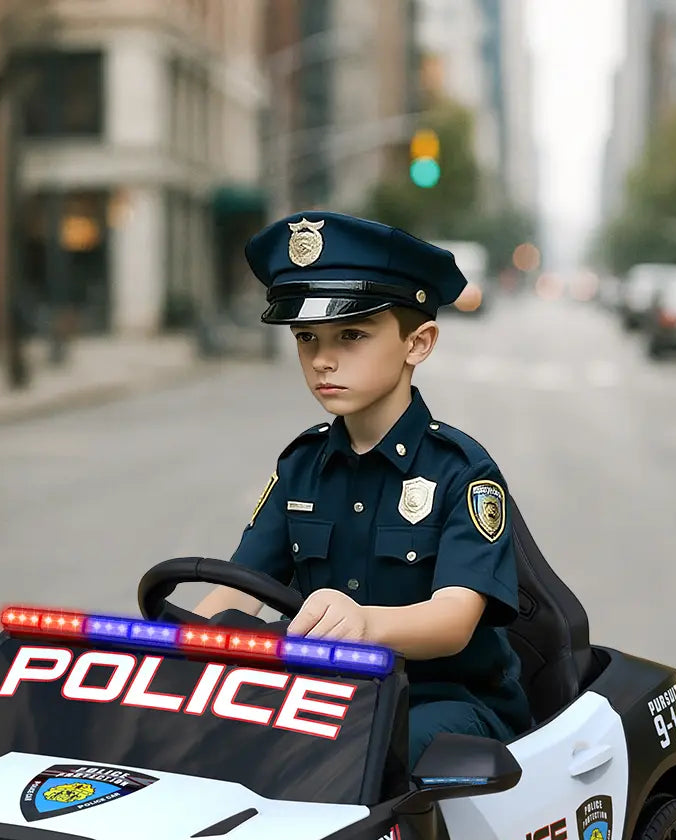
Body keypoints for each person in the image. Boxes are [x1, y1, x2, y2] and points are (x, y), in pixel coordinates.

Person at [195, 211, 532, 766]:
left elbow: (453, 620)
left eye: (351, 335)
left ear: (418, 344)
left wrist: (364, 623)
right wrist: (162, 649)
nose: (323, 359)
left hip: (445, 702)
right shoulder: (301, 466)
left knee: (361, 757)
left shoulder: (462, 471)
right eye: (307, 338)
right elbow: (240, 588)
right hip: (326, 698)